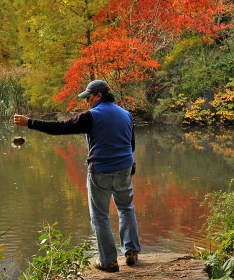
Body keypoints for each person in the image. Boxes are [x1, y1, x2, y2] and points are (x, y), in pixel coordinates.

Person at [14, 80, 140, 273]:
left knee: (100, 217)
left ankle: (109, 262)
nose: (86, 102)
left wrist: (29, 123)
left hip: (100, 171)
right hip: (125, 169)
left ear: (98, 95)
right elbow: (131, 147)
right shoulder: (126, 115)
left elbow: (60, 128)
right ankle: (131, 252)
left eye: (88, 98)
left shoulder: (92, 116)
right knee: (126, 209)